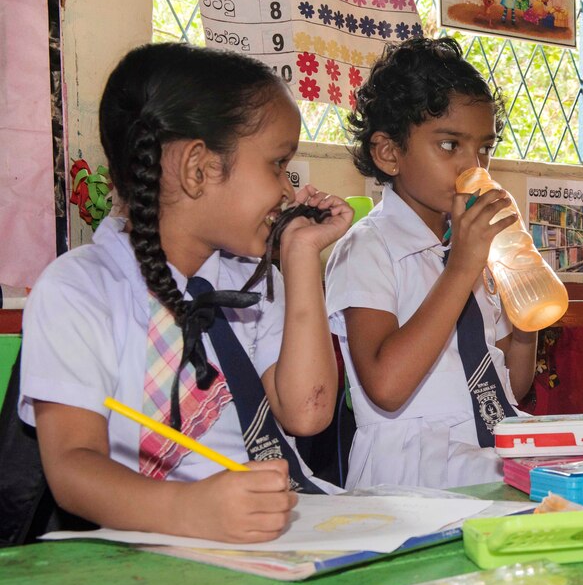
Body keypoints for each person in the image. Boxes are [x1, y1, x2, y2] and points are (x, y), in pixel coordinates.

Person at [18, 42, 352, 542]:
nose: (287, 190)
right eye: (277, 165)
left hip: (282, 533)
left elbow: (307, 413)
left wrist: (301, 258)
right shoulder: (78, 289)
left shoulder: (251, 280)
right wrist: (189, 509)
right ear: (198, 168)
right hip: (157, 549)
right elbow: (72, 468)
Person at [326, 37, 537, 489]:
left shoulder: (470, 250)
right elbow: (386, 385)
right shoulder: (368, 248)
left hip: (490, 448)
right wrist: (461, 269)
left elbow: (510, 388)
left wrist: (527, 309)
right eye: (449, 145)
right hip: (413, 470)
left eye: (484, 149)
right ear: (389, 153)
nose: (472, 167)